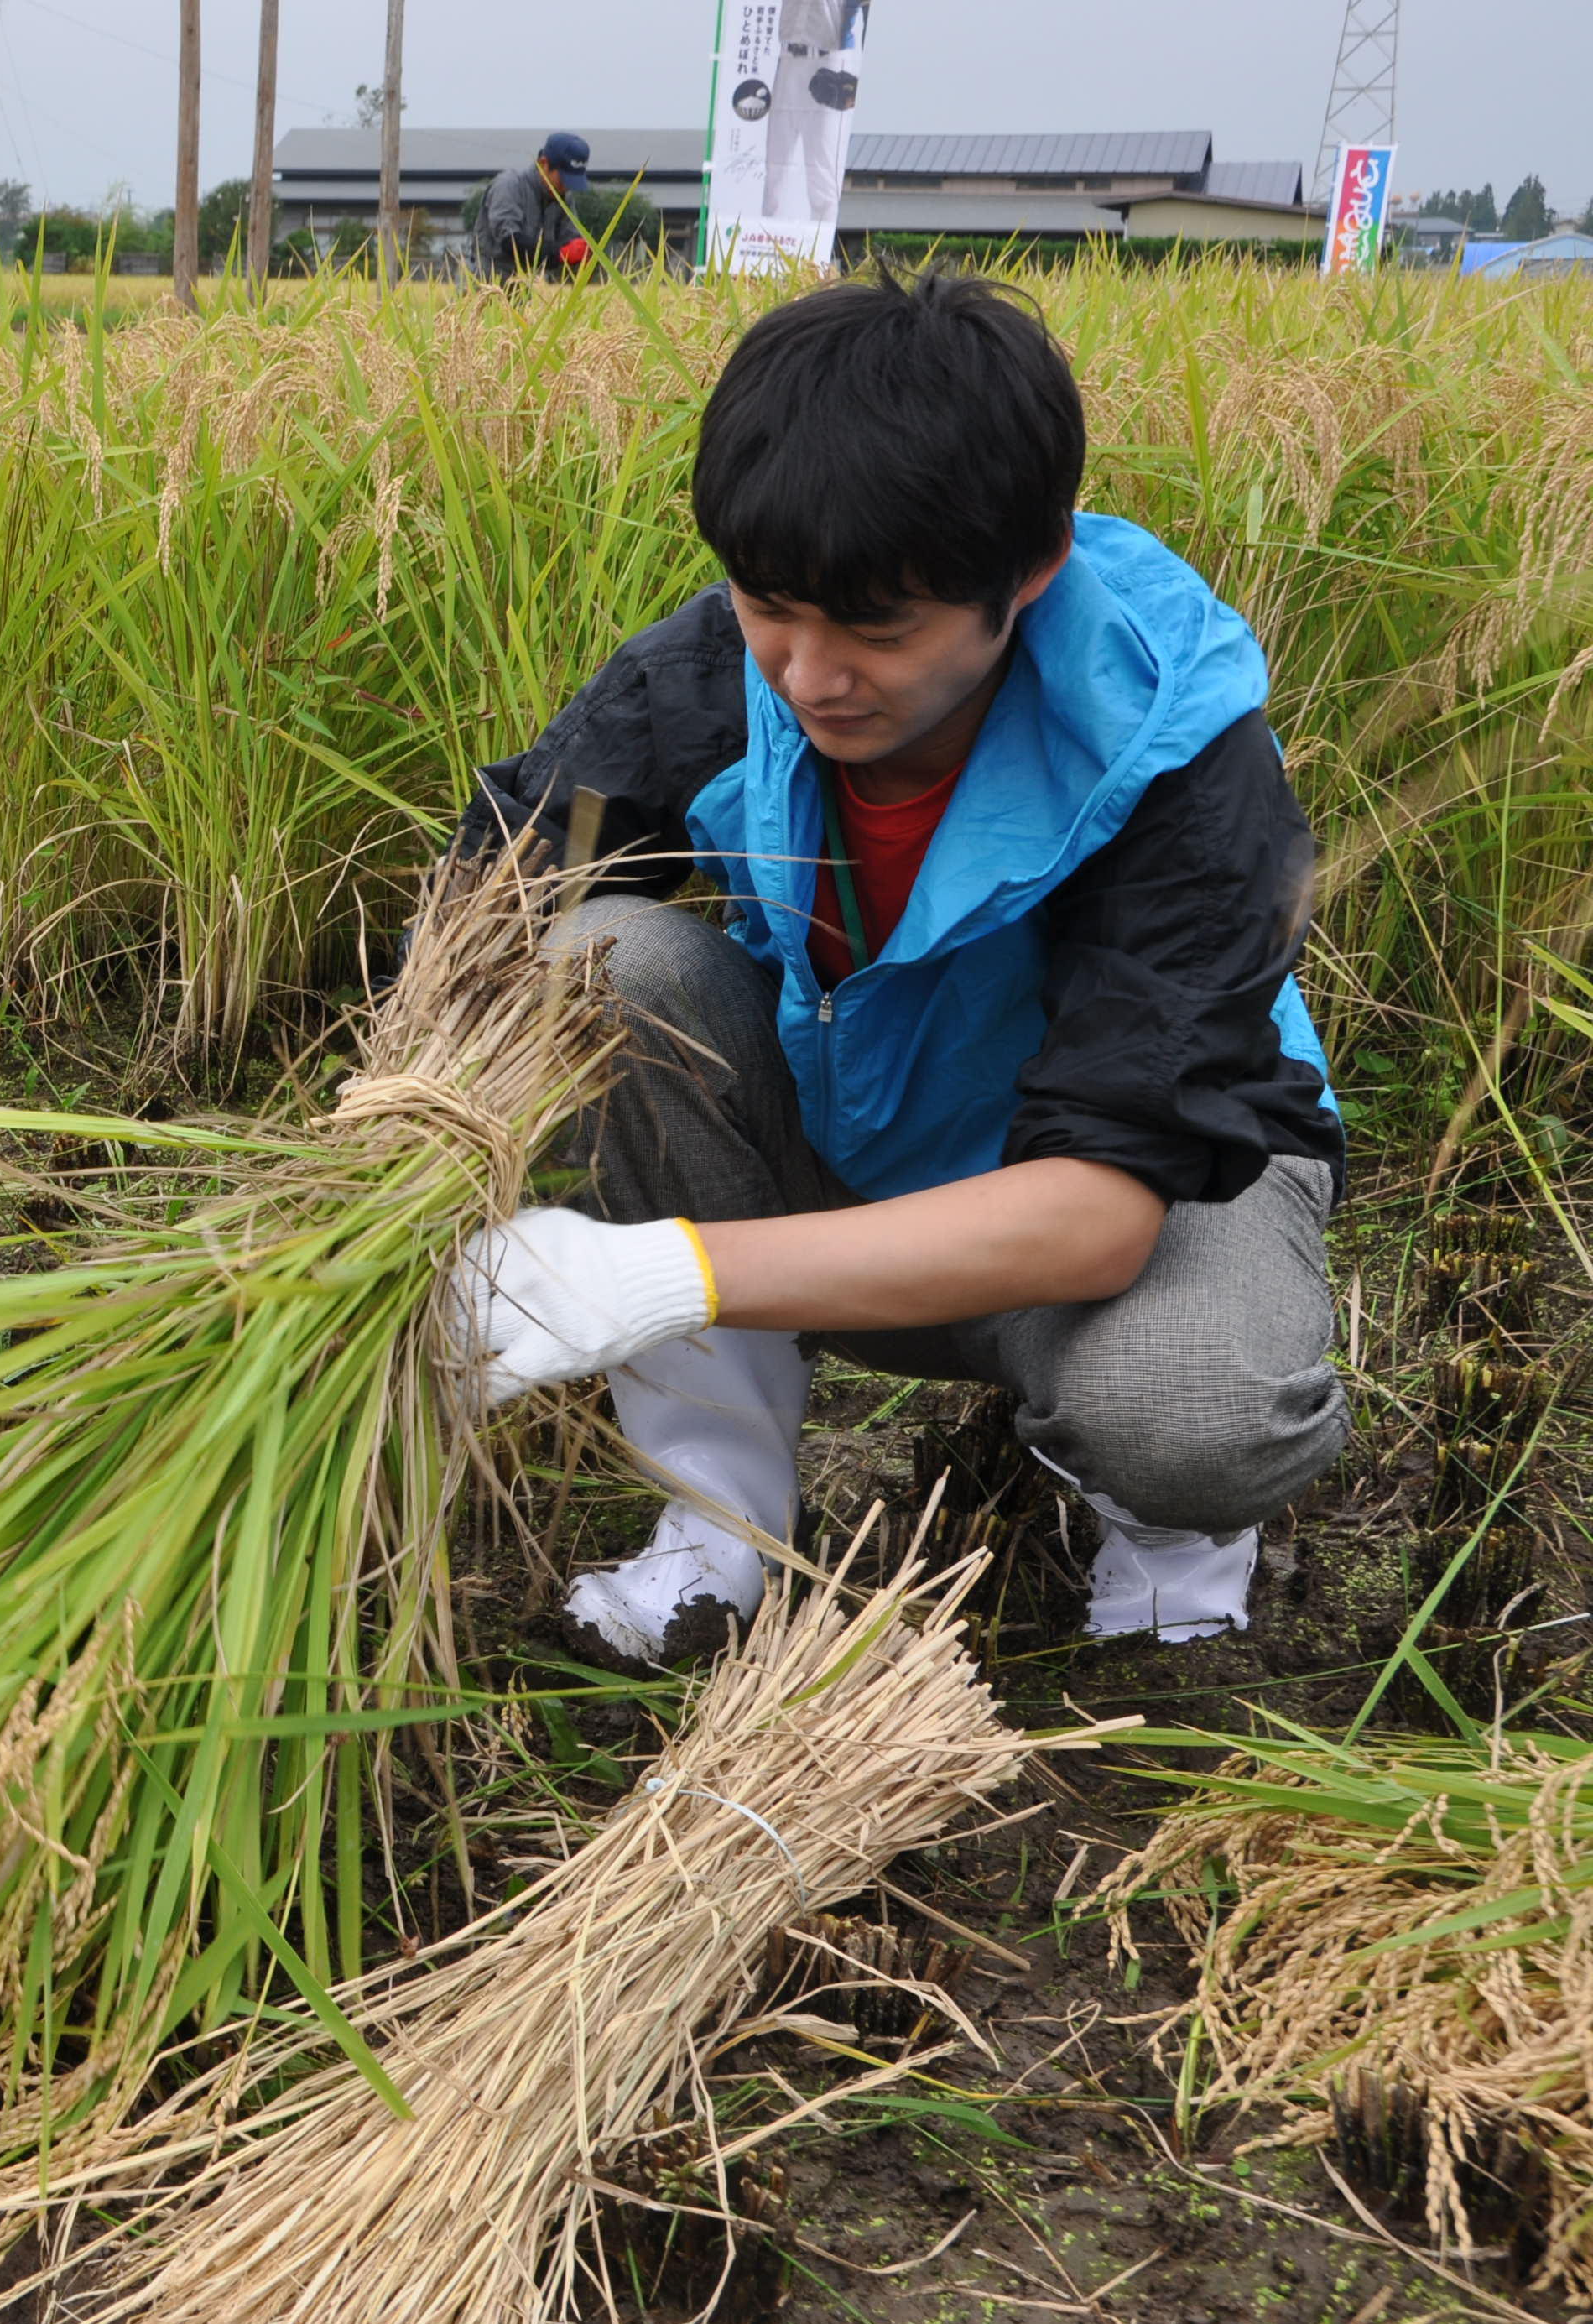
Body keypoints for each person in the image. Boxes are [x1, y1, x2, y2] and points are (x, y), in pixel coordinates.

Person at [449, 267, 1346, 1662]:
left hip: (1145, 1194)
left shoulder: (1179, 758)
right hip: (855, 1129)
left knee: (1188, 1410)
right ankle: (715, 1520)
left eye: (878, 628)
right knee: (579, 961)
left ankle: (1169, 1541)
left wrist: (661, 1270)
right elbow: (488, 900)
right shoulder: (720, 669)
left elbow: (1098, 1215)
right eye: (770, 606)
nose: (809, 674)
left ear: (1027, 575)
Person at [757, 0, 864, 231]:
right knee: (777, 156)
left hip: (830, 58)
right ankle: (768, 237)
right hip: (787, 57)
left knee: (822, 161)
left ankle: (820, 247)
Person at [481, 131, 598, 277]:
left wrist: (583, 253)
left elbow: (571, 237)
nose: (566, 187)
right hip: (487, 285)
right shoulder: (509, 186)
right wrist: (559, 254)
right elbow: (510, 241)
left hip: (529, 287)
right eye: (563, 180)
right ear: (544, 164)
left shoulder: (564, 197)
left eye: (572, 183)